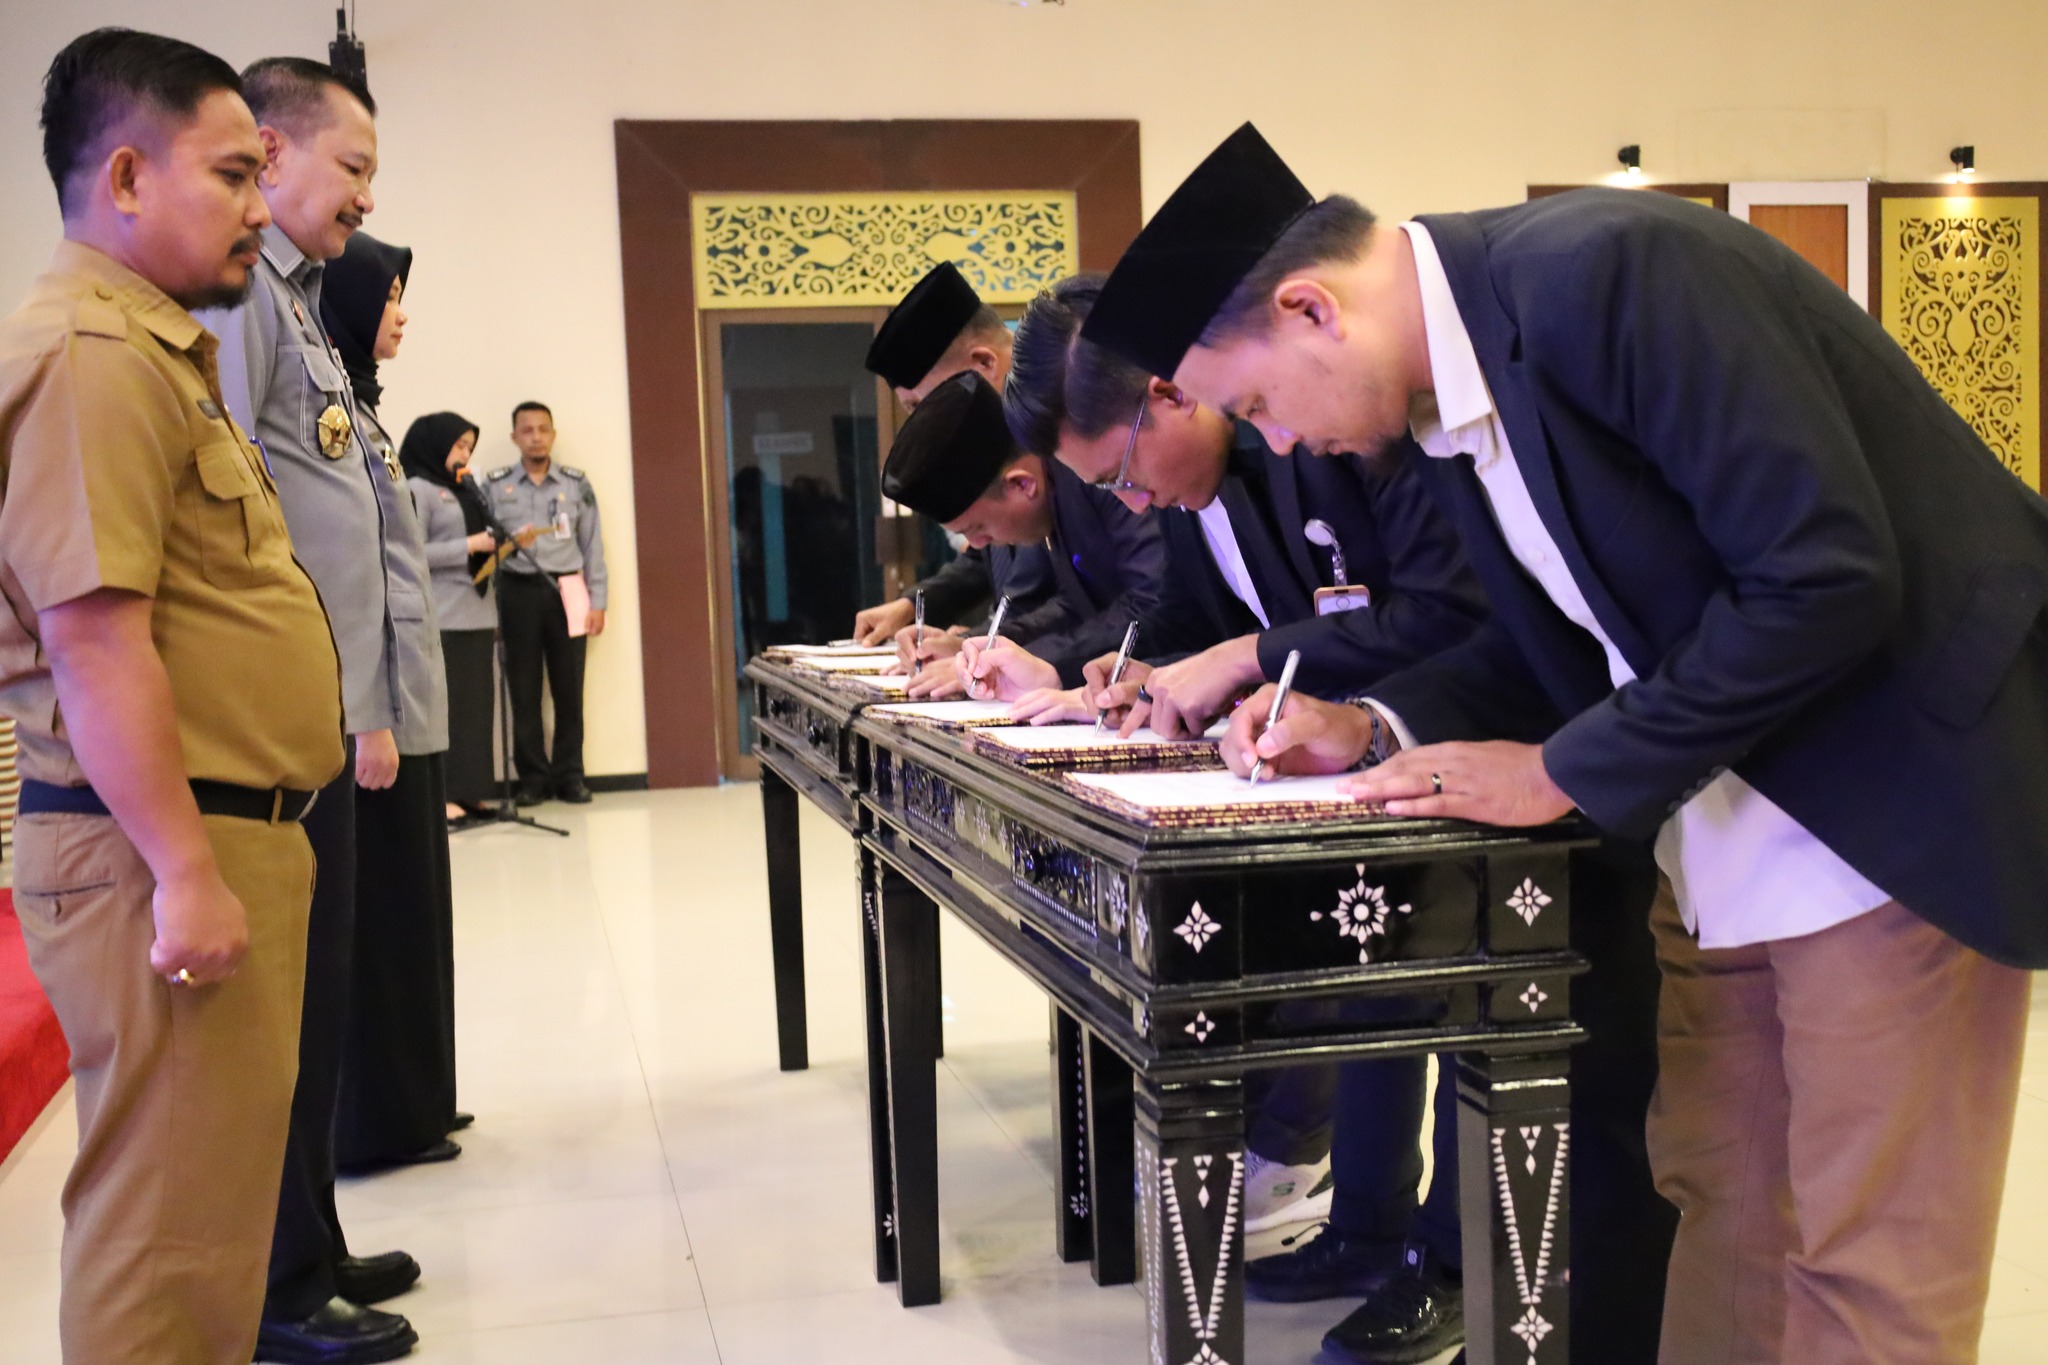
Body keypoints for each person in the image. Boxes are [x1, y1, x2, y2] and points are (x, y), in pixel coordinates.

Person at [1100, 120, 2048, 1364]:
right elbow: (1570, 639)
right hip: (1716, 826)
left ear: (1309, 308)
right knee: (1719, 1197)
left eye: (1258, 405)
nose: (1276, 444)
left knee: (1863, 1256)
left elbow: (1823, 578)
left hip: (1880, 808)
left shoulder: (1616, 271)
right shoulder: (1446, 399)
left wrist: (1558, 771)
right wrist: (1367, 724)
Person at [980, 271, 1497, 1287]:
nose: (1130, 502)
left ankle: (1448, 1270)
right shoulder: (1191, 488)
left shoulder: (1320, 438)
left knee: (1457, 1008)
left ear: (1172, 394)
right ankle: (1365, 1231)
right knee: (1367, 992)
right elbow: (1194, 619)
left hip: (1462, 734)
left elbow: (1437, 611)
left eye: (1122, 474)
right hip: (1335, 763)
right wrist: (1134, 673)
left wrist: (1247, 658)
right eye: (1106, 492)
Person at [0, 29, 344, 1363]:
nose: (262, 207)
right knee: (164, 1238)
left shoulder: (148, 348)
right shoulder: (91, 357)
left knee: (203, 1225)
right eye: (234, 174)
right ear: (129, 178)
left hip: (206, 832)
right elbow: (95, 645)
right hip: (162, 847)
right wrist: (187, 872)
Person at [196, 55, 421, 1365]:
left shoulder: (290, 300)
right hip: (276, 720)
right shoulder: (240, 308)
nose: (364, 199)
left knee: (318, 1001)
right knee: (284, 1011)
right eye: (353, 169)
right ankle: (279, 1283)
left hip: (319, 713)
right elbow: (235, 524)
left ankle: (314, 1242)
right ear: (274, 156)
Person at [317, 230, 465, 1178]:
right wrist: (364, 711)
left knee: (418, 907)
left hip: (410, 699)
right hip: (374, 710)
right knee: (378, 922)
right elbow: (341, 577)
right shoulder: (330, 409)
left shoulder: (363, 406)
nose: (402, 315)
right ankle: (379, 1118)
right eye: (390, 297)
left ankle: (420, 1099)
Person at [879, 369, 1166, 694]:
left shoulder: (1097, 473)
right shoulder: (1049, 491)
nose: (976, 545)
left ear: (1021, 485)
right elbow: (1076, 603)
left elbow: (1153, 602)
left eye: (977, 527)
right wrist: (980, 647)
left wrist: (1033, 664)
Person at [849, 262, 1058, 692]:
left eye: (921, 404)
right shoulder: (1003, 438)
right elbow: (988, 547)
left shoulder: (1067, 425)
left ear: (982, 364)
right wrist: (914, 606)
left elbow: (1111, 600)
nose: (925, 422)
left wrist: (980, 649)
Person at [482, 401, 607, 805]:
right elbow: (485, 551)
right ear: (515, 437)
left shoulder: (576, 484)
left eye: (542, 429)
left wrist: (598, 601)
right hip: (516, 590)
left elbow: (592, 545)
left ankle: (570, 776)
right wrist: (489, 610)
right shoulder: (495, 486)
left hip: (568, 589)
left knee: (570, 690)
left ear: (553, 435)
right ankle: (533, 779)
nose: (536, 437)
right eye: (527, 430)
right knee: (524, 690)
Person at [403, 412, 525, 820]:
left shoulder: (468, 491)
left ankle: (472, 790)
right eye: (459, 445)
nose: (465, 454)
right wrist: (470, 545)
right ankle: (445, 794)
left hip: (478, 612)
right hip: (443, 615)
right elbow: (412, 553)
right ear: (436, 445)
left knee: (476, 711)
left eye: (469, 447)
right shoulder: (418, 489)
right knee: (449, 710)